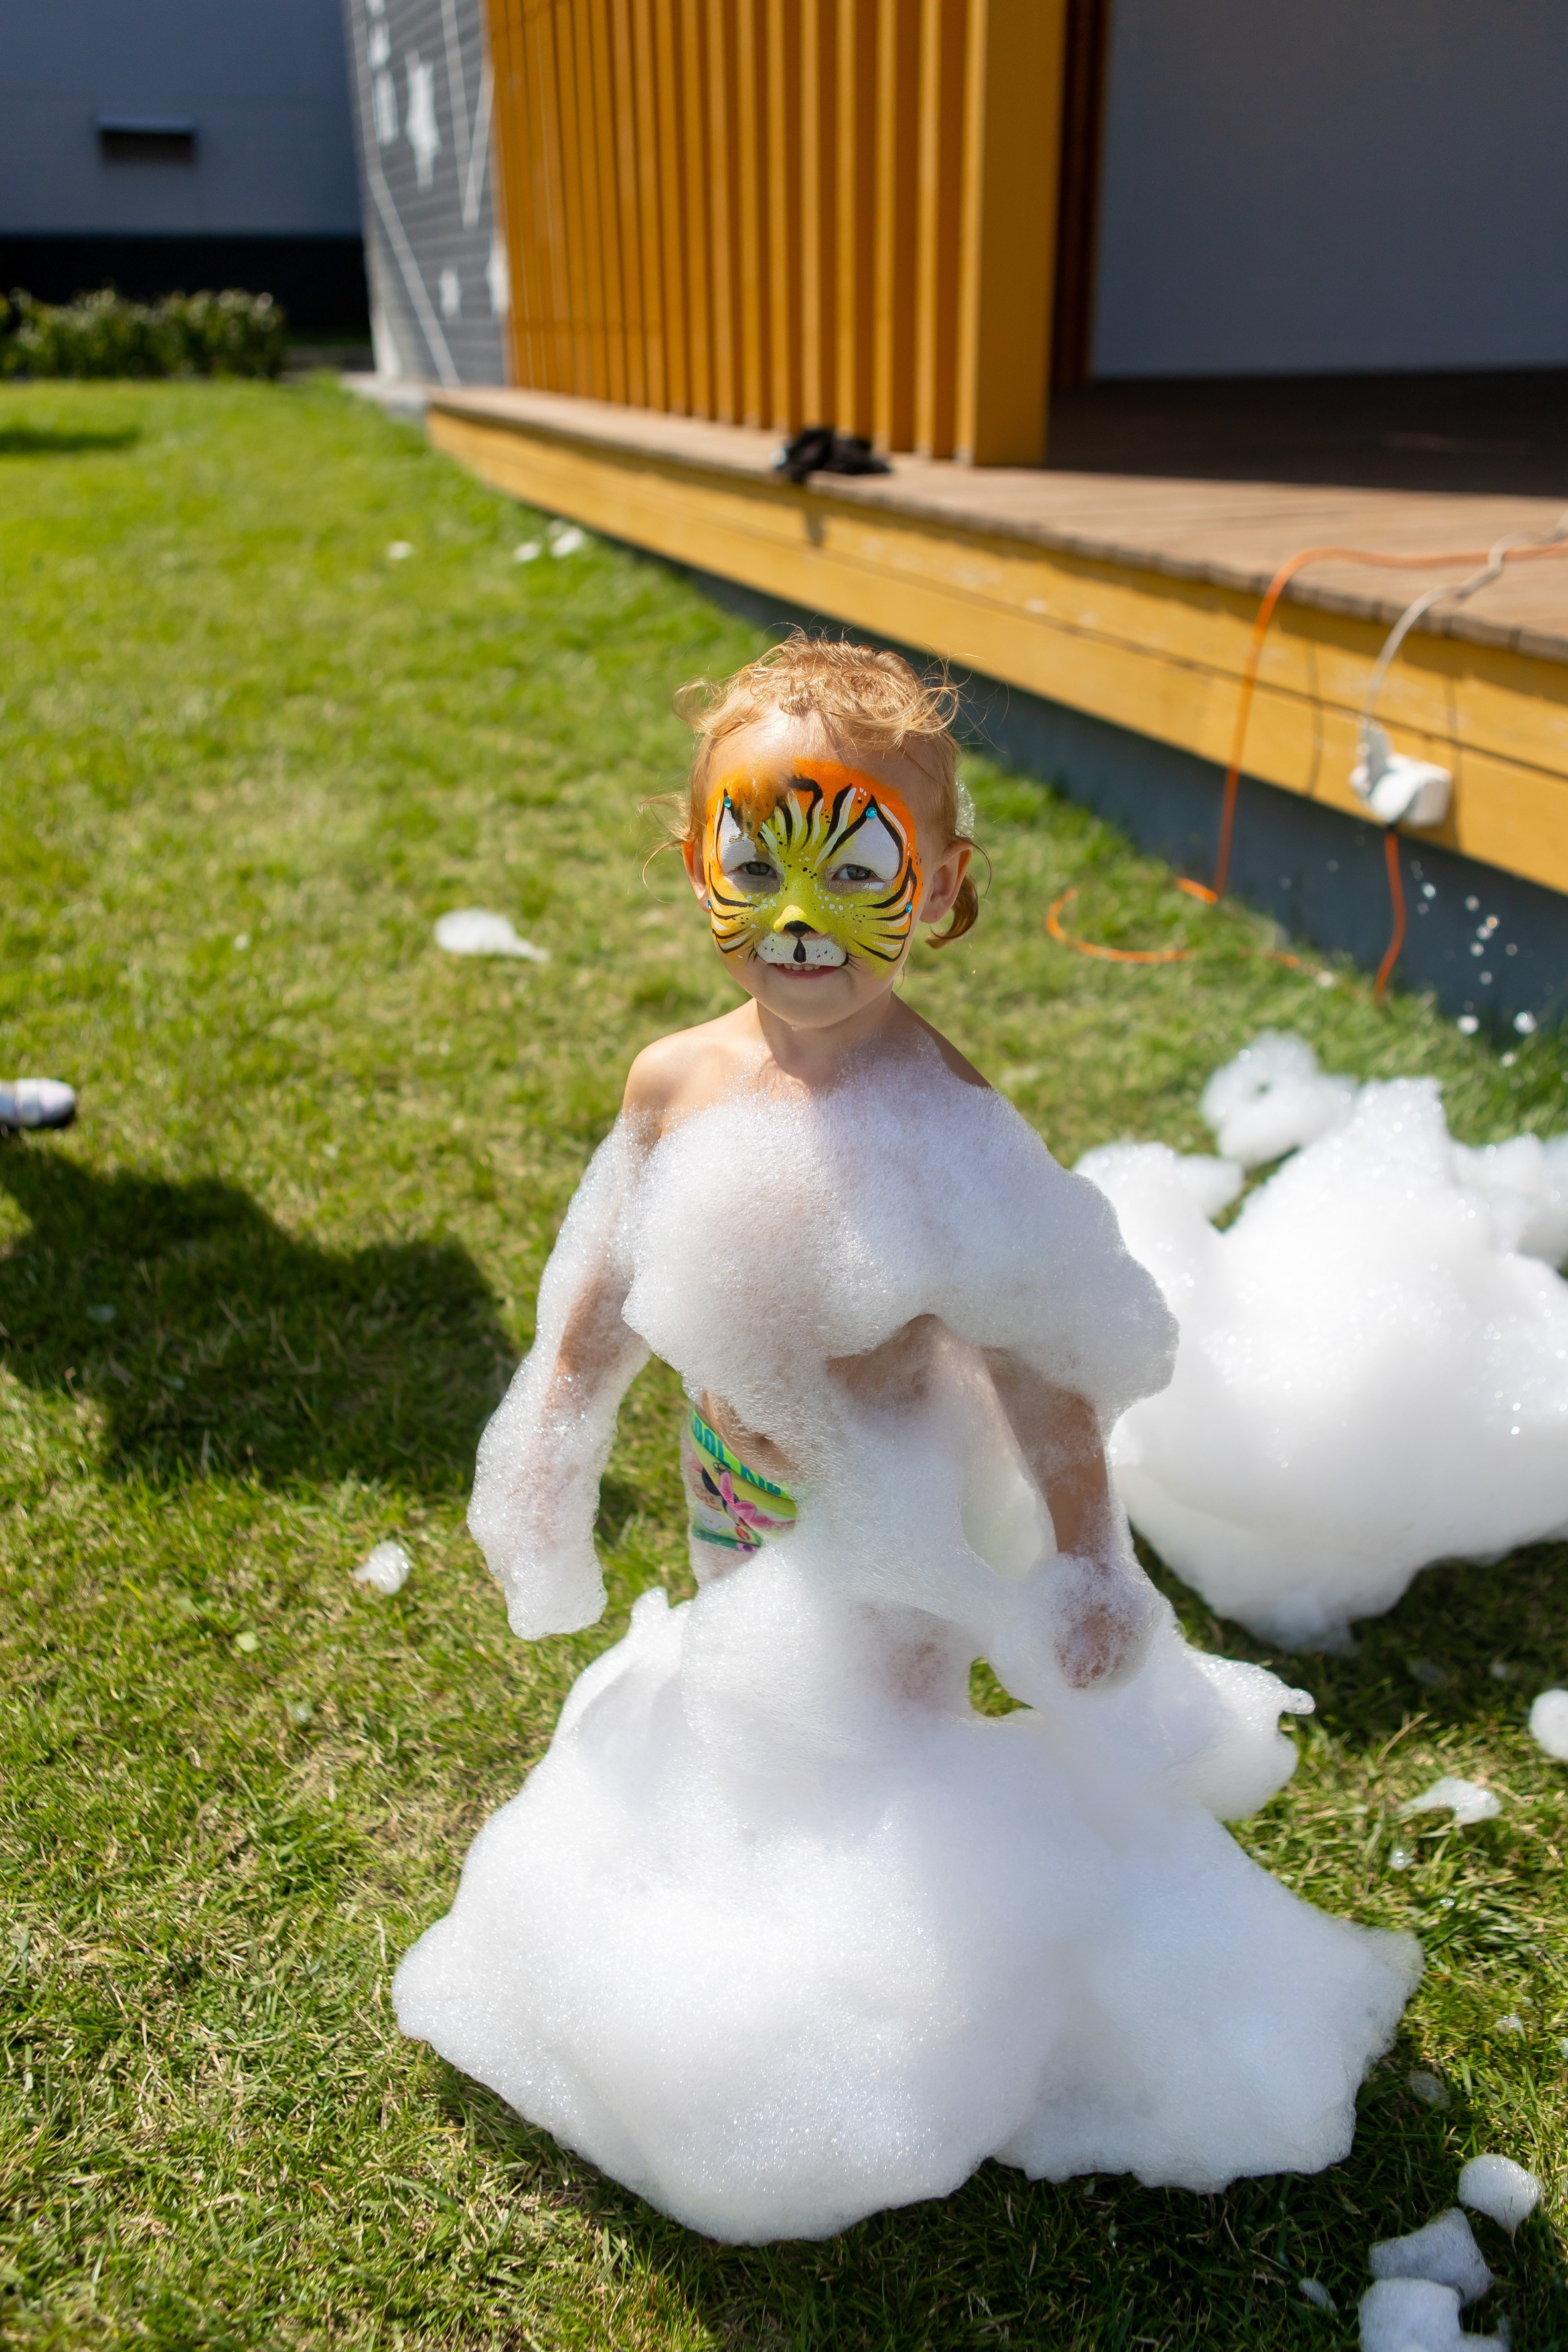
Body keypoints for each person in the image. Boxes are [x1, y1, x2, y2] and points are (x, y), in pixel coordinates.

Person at [394, 636, 1418, 2243]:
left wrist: (1083, 1553)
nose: (800, 916)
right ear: (693, 865)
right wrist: (550, 1436)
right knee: (755, 1695)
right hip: (741, 1473)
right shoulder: (673, 1084)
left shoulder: (942, 1117)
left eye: (856, 861)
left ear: (940, 886)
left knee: (880, 1744)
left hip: (905, 1509)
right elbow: (600, 1289)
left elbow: (1034, 1364)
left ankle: (902, 1971)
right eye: (755, 857)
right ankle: (746, 1893)